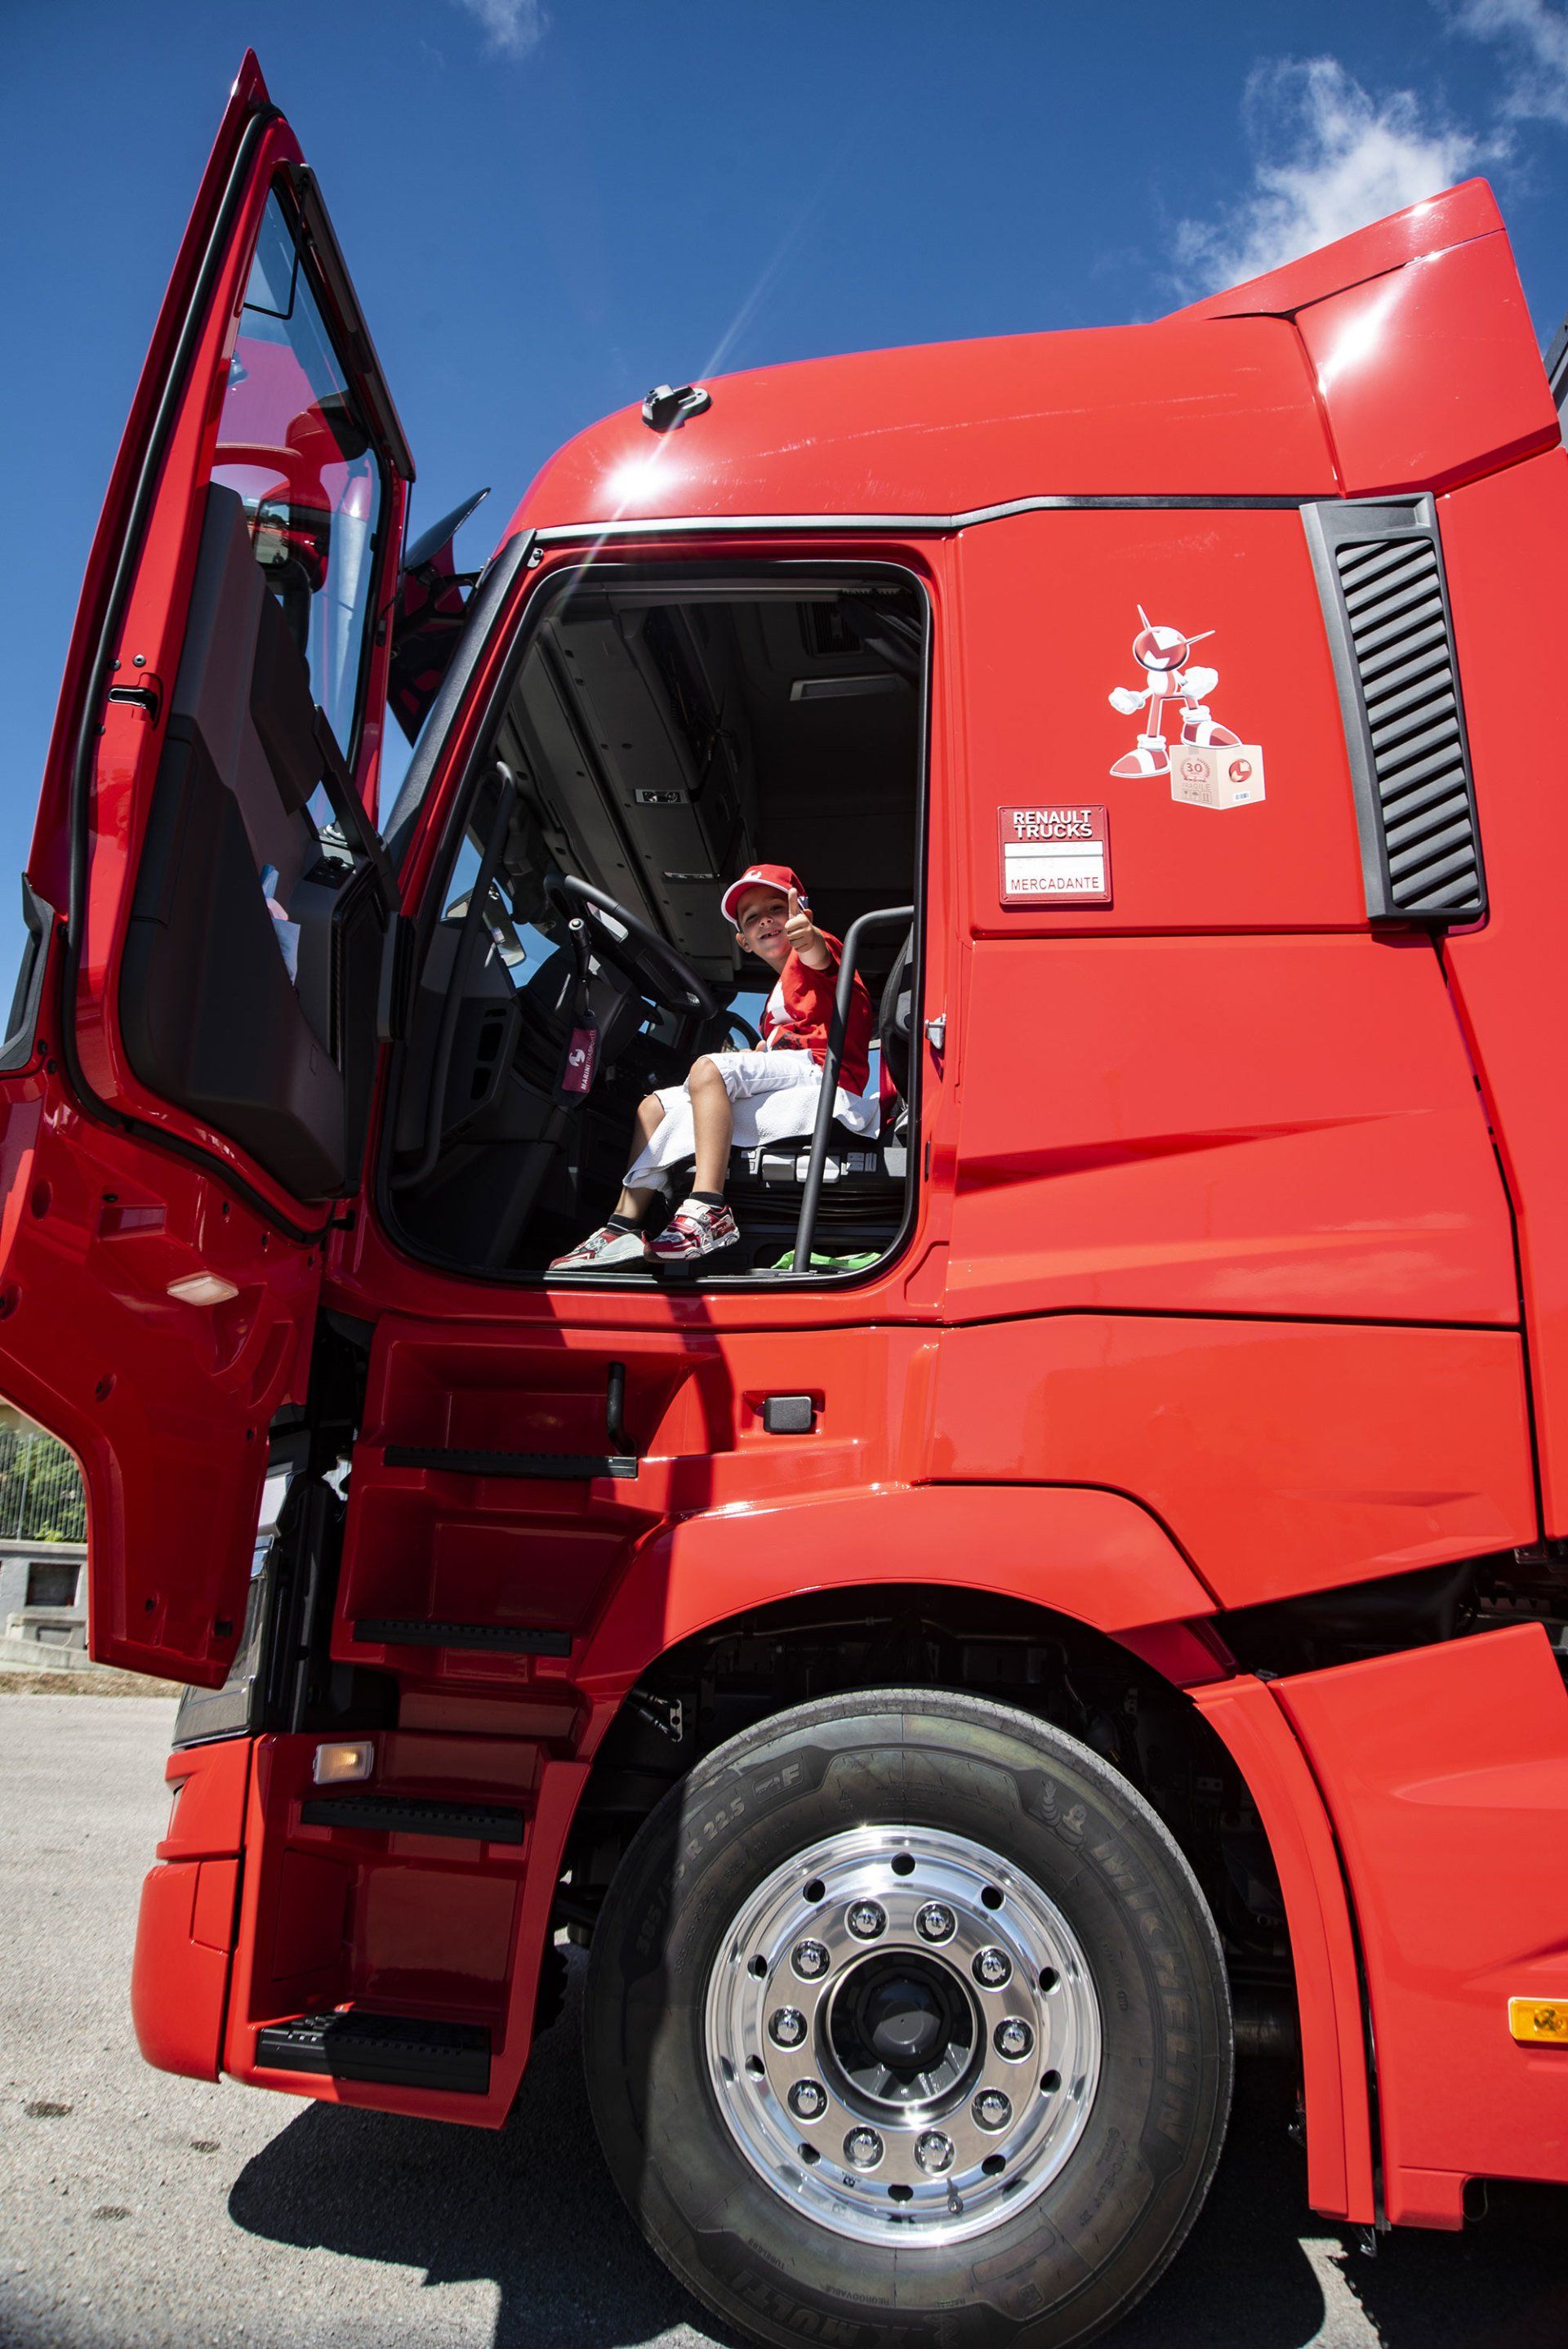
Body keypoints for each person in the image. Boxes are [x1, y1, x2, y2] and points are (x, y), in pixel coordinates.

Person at [550, 862, 875, 1268]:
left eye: (777, 908)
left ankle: (709, 1207)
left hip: (825, 1072)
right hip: (799, 1067)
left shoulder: (817, 951)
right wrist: (760, 1055)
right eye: (752, 918)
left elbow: (820, 957)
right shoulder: (778, 995)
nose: (766, 921)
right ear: (743, 941)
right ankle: (621, 1227)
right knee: (653, 1107)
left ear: (801, 912)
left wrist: (808, 937)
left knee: (709, 1069)